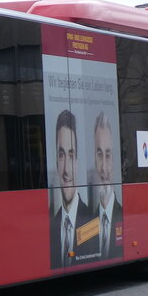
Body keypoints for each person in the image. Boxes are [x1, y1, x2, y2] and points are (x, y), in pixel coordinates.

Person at [49, 109, 98, 269]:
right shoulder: (52, 225)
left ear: (77, 162)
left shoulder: (92, 219)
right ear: (56, 162)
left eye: (71, 155)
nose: (67, 171)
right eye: (61, 155)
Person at [91, 111, 123, 260]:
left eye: (108, 155)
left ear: (115, 159)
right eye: (99, 155)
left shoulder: (121, 212)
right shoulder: (87, 217)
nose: (104, 168)